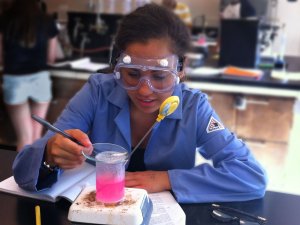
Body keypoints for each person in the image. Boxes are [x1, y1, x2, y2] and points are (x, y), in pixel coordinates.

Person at [12, 3, 267, 203]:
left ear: (181, 69)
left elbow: (250, 177)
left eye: (159, 76)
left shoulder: (193, 107)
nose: (145, 90)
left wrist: (165, 179)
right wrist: (49, 156)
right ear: (117, 66)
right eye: (132, 74)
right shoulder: (98, 92)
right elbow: (23, 171)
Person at [0, 0, 58, 151]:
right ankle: (35, 174)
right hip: (40, 78)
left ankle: (23, 175)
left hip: (14, 79)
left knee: (24, 137)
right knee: (36, 134)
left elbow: (0, 56)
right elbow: (51, 57)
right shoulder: (47, 20)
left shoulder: (5, 19)